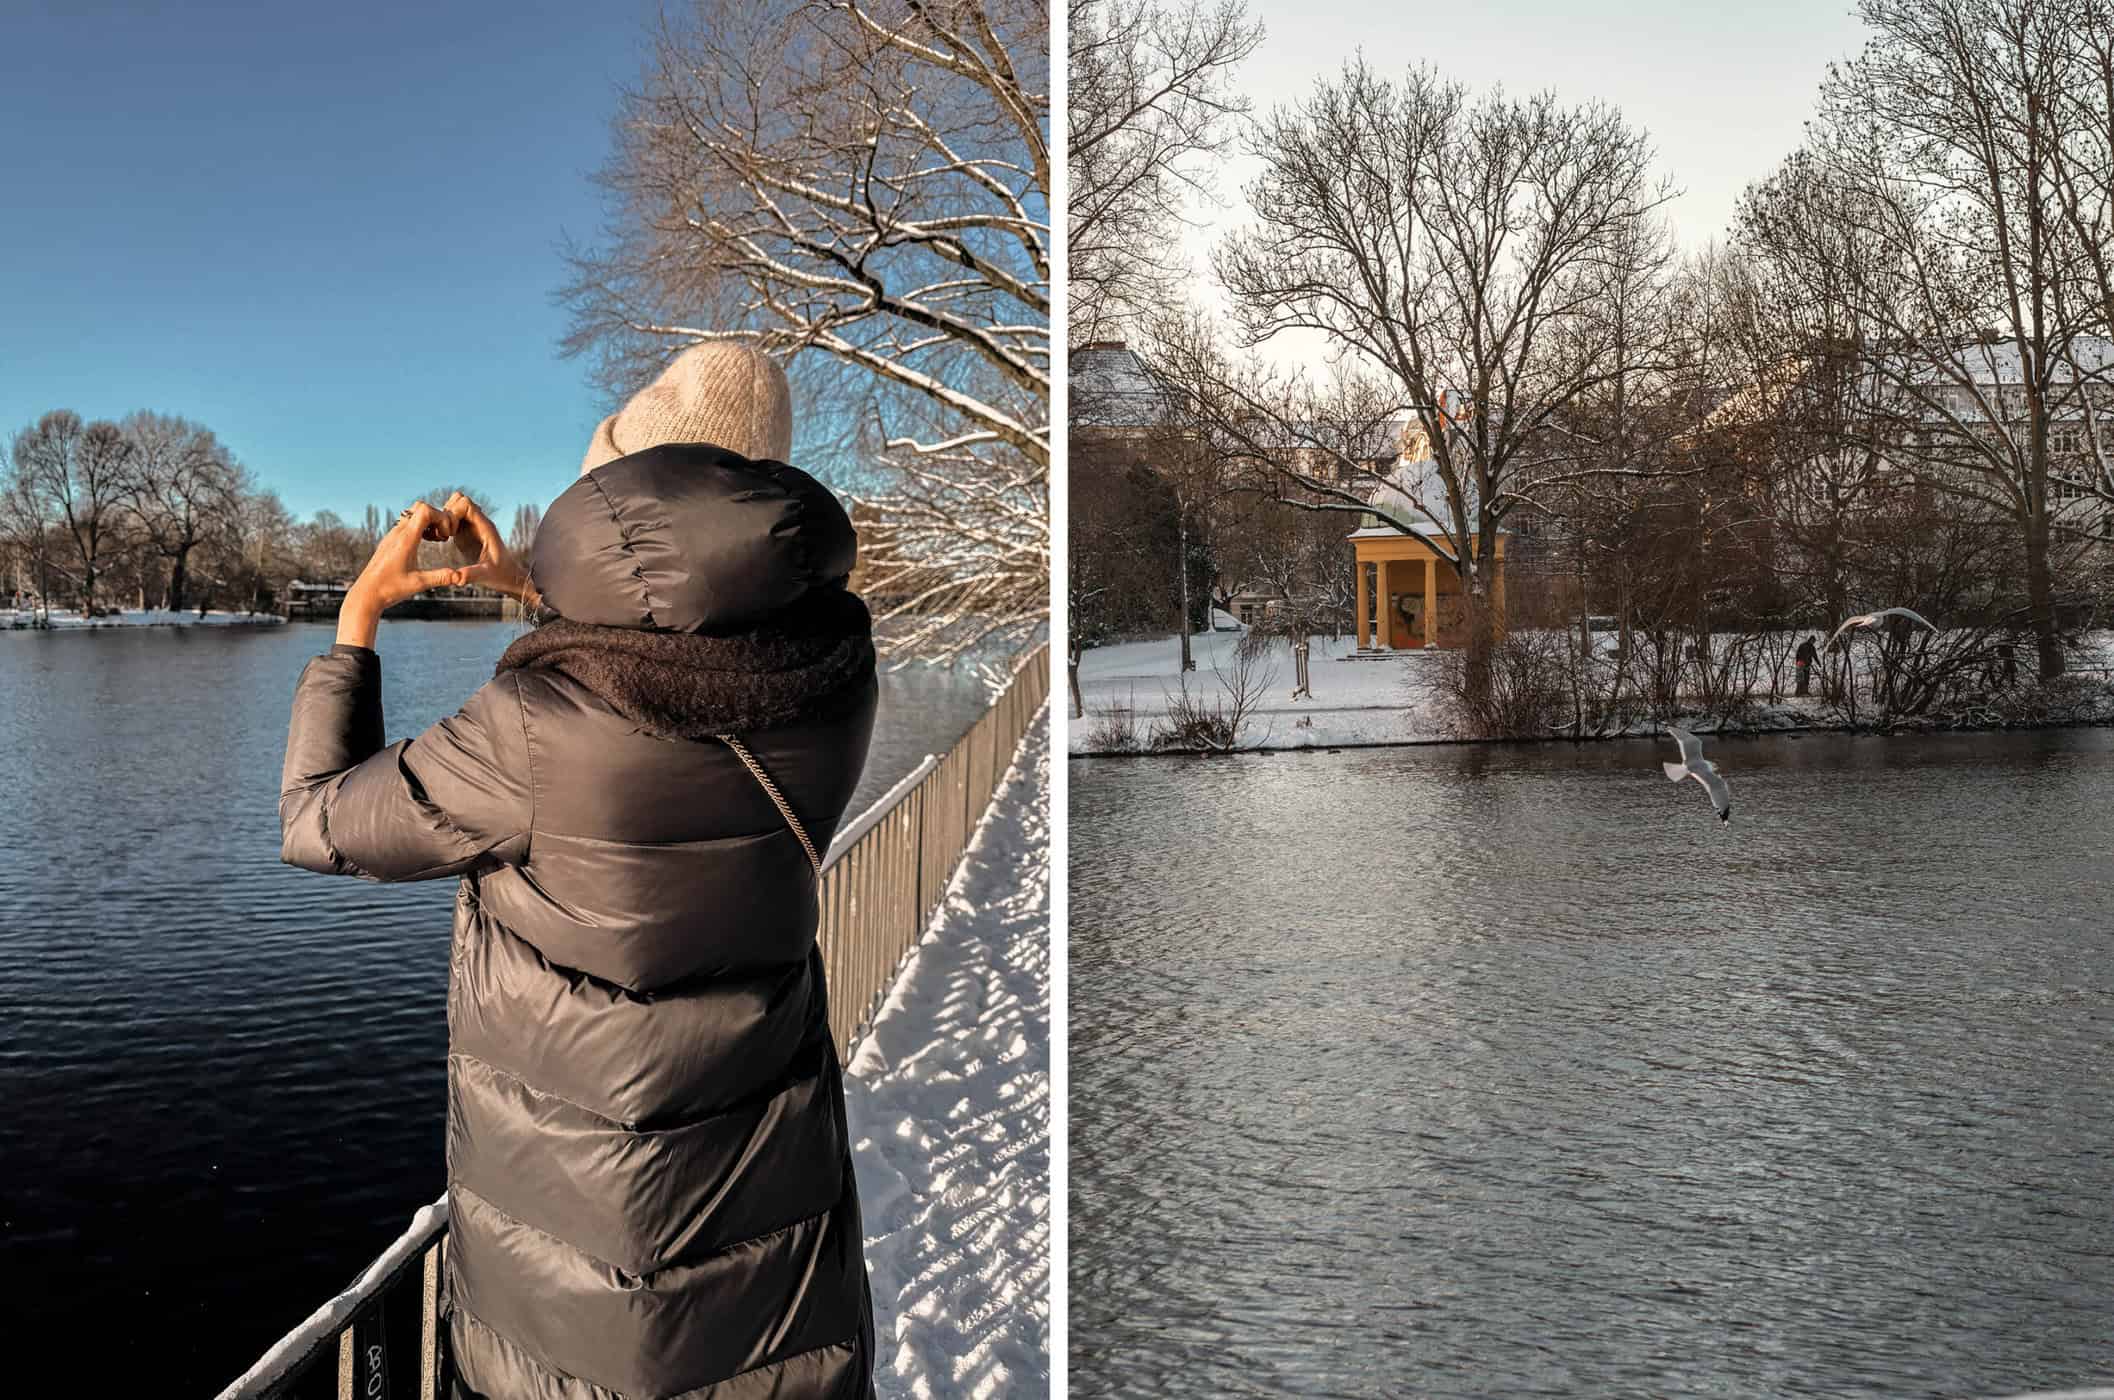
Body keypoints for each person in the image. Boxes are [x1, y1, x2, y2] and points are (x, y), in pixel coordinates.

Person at [280, 343, 879, 1400]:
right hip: (773, 1280)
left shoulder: (529, 729)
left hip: (569, 1307)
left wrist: (357, 620)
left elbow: (320, 818)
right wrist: (530, 584)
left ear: (615, 493)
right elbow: (664, 664)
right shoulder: (832, 675)